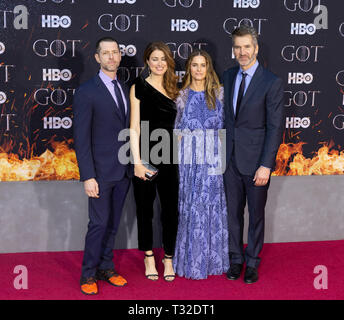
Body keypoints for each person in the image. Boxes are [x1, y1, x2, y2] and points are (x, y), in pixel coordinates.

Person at [222, 25, 284, 284]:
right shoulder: (226, 76)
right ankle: (236, 260)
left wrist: (266, 165)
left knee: (256, 215)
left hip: (257, 162)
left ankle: (253, 262)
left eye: (247, 46)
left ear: (256, 48)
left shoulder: (271, 82)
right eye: (238, 47)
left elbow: (275, 127)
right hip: (229, 161)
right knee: (232, 213)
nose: (242, 52)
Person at [73, 37, 132, 295]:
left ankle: (106, 268)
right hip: (99, 172)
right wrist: (88, 176)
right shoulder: (86, 91)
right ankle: (88, 274)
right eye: (105, 53)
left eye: (115, 52)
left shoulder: (125, 87)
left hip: (124, 170)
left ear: (120, 56)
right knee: (98, 223)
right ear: (97, 58)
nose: (111, 57)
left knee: (113, 223)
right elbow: (81, 137)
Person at [173, 50, 229, 280]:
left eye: (202, 65)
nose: (198, 69)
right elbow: (176, 129)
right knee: (193, 206)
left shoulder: (219, 93)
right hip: (190, 160)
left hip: (214, 158)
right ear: (189, 69)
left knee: (211, 206)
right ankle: (190, 261)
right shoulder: (182, 95)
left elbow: (226, 126)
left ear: (209, 68)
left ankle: (213, 261)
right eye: (194, 65)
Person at [129, 42, 179, 282]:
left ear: (169, 62)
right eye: (155, 59)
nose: (159, 63)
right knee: (144, 209)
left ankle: (168, 258)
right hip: (146, 157)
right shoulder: (138, 87)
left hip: (172, 157)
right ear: (147, 61)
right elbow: (134, 128)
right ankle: (149, 256)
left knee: (171, 211)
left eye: (163, 59)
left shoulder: (176, 88)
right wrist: (137, 163)